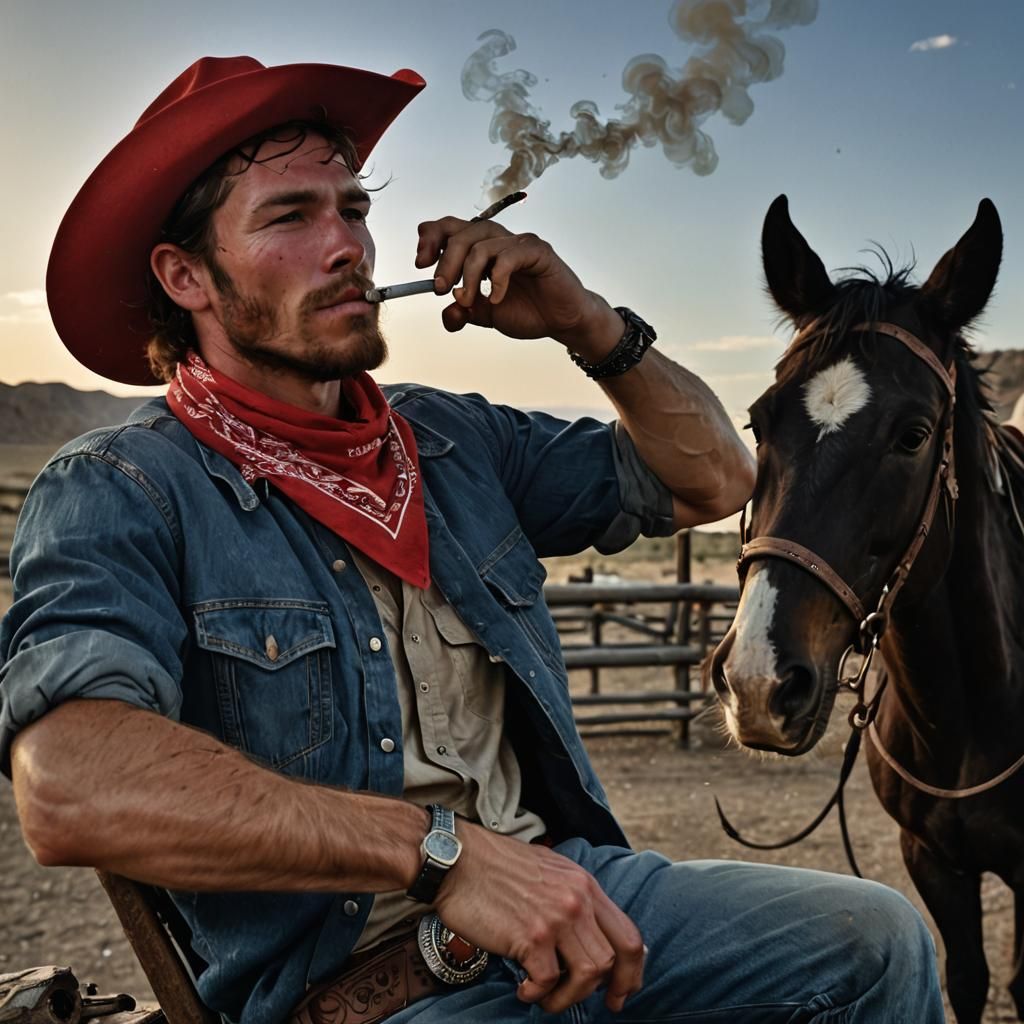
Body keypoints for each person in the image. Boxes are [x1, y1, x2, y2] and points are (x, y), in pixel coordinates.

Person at [1, 56, 943, 1024]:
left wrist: (587, 324)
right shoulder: (125, 486)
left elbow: (714, 478)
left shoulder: (455, 441)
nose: (348, 248)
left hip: (571, 897)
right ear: (185, 274)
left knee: (873, 938)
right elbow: (72, 786)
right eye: (291, 217)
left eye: (354, 209)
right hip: (362, 988)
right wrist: (438, 853)